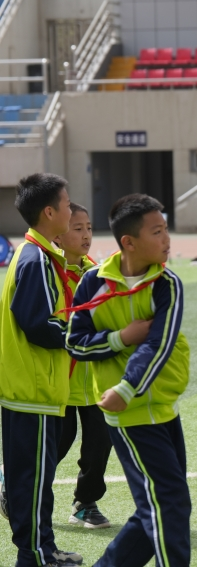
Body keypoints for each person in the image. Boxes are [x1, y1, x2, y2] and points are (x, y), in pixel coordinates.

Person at [66, 194, 190, 567]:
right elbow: (74, 343)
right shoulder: (93, 282)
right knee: (168, 503)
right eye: (157, 232)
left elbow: (159, 343)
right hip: (130, 415)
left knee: (158, 503)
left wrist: (127, 384)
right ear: (128, 242)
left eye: (166, 229)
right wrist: (120, 339)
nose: (166, 240)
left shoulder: (168, 283)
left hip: (164, 408)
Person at [0, 172, 82, 567]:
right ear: (49, 212)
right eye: (67, 204)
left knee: (38, 482)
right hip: (31, 392)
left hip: (36, 391)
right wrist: (82, 335)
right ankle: (33, 556)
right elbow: (37, 323)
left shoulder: (38, 253)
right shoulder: (36, 259)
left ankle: (44, 549)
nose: (71, 209)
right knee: (30, 483)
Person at [54, 203, 112, 529]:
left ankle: (85, 502)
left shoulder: (97, 271)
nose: (86, 234)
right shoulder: (47, 271)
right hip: (61, 379)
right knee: (58, 443)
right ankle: (16, 484)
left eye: (89, 227)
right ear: (58, 235)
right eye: (78, 228)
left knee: (100, 444)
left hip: (96, 381)